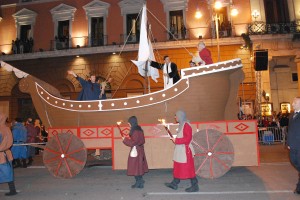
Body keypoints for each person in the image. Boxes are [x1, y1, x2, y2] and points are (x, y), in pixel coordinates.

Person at [165, 110, 199, 192]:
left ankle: (195, 186)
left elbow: (187, 139)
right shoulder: (182, 125)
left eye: (176, 115)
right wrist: (175, 139)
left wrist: (176, 140)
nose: (175, 117)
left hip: (185, 151)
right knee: (178, 167)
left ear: (180, 116)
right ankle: (174, 183)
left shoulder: (186, 125)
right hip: (181, 150)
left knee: (188, 168)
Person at [122, 116, 148, 189]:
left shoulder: (135, 131)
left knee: (135, 167)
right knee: (139, 167)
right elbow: (142, 141)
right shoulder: (139, 129)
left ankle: (138, 183)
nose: (129, 125)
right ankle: (141, 181)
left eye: (129, 123)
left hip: (136, 151)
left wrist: (125, 139)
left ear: (132, 122)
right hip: (140, 150)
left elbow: (133, 142)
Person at [0, 112, 17, 196]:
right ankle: (12, 190)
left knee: (6, 172)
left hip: (3, 155)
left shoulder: (3, 129)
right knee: (7, 173)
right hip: (5, 154)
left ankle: (13, 190)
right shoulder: (6, 128)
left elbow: (7, 142)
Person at [287, 97, 300, 195]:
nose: (292, 104)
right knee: (294, 161)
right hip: (292, 146)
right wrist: (288, 143)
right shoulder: (292, 115)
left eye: (295, 102)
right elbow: (290, 130)